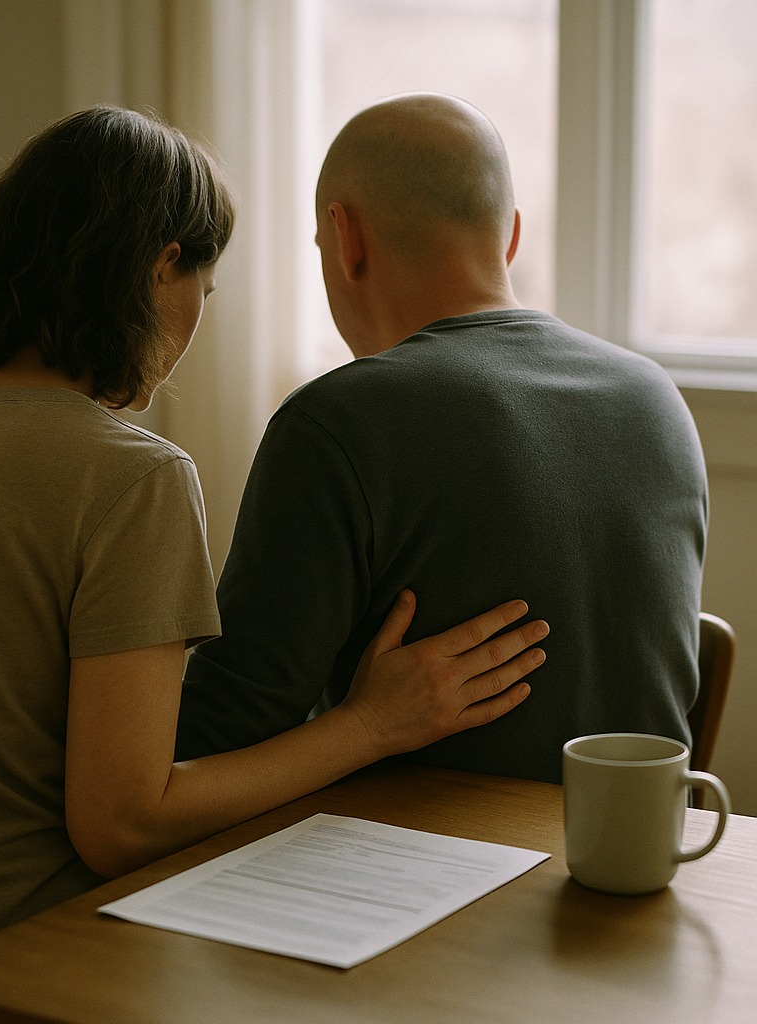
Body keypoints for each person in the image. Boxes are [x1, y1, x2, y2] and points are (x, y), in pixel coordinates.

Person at [0, 105, 548, 1023]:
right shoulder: (132, 476)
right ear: (164, 267)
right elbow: (125, 822)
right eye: (205, 295)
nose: (197, 326)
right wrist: (372, 723)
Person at [175, 93, 708, 784]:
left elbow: (210, 745)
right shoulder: (656, 400)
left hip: (428, 877)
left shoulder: (337, 422)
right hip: (635, 870)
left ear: (346, 240)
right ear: (510, 237)